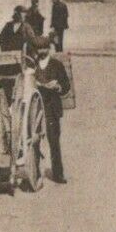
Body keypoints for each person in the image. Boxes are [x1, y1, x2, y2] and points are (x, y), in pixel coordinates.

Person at [34, 35, 72, 183]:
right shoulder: (33, 65)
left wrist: (58, 87)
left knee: (54, 141)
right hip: (36, 109)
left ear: (48, 49)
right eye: (39, 49)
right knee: (34, 142)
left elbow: (66, 86)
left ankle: (58, 173)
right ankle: (35, 172)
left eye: (44, 48)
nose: (41, 51)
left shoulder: (57, 65)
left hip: (51, 108)